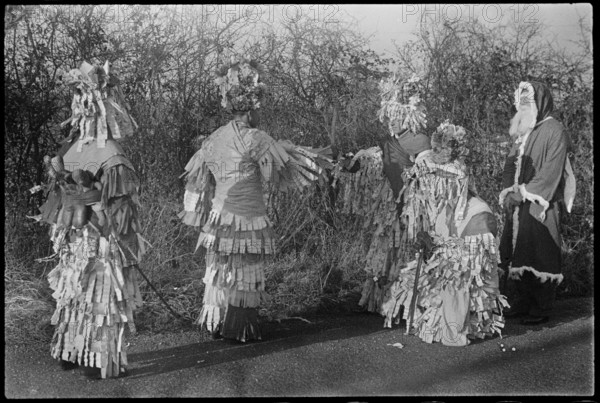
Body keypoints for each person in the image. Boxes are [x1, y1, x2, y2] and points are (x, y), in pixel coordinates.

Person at [179, 57, 332, 343]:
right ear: (251, 108)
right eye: (260, 109)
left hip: (218, 219)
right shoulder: (256, 137)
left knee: (219, 269)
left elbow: (200, 180)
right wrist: (291, 154)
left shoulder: (212, 139)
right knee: (245, 271)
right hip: (247, 218)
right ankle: (240, 329)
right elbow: (273, 177)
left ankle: (216, 323)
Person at [34, 61, 144, 379]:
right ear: (109, 108)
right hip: (97, 240)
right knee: (96, 293)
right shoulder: (111, 153)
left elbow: (57, 197)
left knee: (76, 291)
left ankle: (70, 351)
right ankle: (93, 357)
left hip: (74, 239)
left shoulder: (70, 149)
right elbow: (121, 210)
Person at [380, 120, 508, 346]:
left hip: (474, 227)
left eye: (441, 148)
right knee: (446, 273)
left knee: (455, 276)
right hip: (463, 223)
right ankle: (456, 324)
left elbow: (450, 214)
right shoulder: (438, 177)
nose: (436, 152)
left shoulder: (457, 175)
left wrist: (440, 243)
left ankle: (456, 330)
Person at [336, 73, 431, 314]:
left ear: (408, 116)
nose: (391, 122)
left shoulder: (420, 141)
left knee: (405, 249)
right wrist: (354, 163)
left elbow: (428, 173)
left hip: (410, 206)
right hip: (388, 209)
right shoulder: (389, 143)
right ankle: (383, 300)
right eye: (389, 117)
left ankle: (406, 303)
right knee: (385, 249)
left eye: (396, 117)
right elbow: (376, 163)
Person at [498, 81, 575, 325]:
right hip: (518, 203)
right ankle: (520, 301)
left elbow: (551, 173)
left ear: (539, 103)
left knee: (540, 251)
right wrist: (509, 191)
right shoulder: (524, 130)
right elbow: (511, 163)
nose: (522, 107)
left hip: (542, 203)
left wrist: (521, 194)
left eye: (527, 102)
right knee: (516, 251)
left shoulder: (555, 131)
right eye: (519, 103)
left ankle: (541, 306)